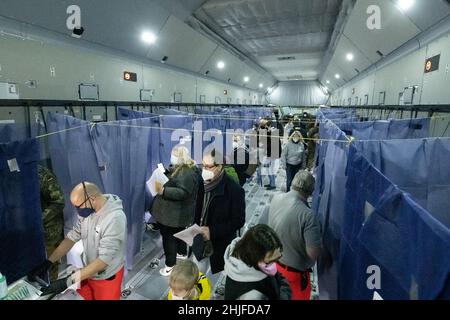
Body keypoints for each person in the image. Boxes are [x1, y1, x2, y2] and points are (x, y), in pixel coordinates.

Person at [28, 182, 127, 300]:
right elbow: (71, 238)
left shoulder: (114, 219)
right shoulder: (88, 210)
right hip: (89, 272)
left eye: (79, 206)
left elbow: (102, 262)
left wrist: (67, 281)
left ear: (93, 199)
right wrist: (49, 262)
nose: (77, 210)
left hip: (107, 277)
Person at [268, 170, 322, 300]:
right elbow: (312, 254)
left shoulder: (275, 198)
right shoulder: (308, 216)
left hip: (273, 267)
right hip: (294, 277)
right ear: (310, 192)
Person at [151, 146, 201, 276]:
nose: (172, 156)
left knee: (169, 238)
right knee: (179, 233)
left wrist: (164, 191)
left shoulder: (186, 172)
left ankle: (170, 265)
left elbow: (183, 192)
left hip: (173, 214)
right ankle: (182, 253)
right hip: (178, 213)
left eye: (174, 155)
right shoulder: (185, 168)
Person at [195, 149, 246, 277]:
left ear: (220, 167)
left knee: (225, 273)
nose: (204, 170)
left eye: (208, 166)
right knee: (197, 274)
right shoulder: (200, 183)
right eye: (202, 165)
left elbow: (238, 221)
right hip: (199, 239)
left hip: (221, 243)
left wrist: (211, 231)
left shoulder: (234, 190)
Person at [224, 224, 291, 300]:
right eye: (272, 260)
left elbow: (278, 277)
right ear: (256, 256)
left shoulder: (246, 257)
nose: (275, 263)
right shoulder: (252, 296)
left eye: (279, 256)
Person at [37, 165, 65, 281]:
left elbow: (58, 202)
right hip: (23, 233)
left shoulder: (40, 173)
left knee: (49, 269)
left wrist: (37, 220)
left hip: (48, 232)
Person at [258, 119, 282, 190]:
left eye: (266, 126)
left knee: (271, 169)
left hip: (272, 154)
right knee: (269, 169)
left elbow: (271, 144)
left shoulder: (273, 132)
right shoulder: (270, 132)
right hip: (270, 153)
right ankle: (271, 183)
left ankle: (273, 184)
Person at [280, 127, 307, 192]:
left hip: (298, 165)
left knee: (296, 181)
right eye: (294, 135)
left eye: (297, 136)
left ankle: (294, 193)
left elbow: (303, 156)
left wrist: (303, 165)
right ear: (292, 136)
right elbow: (283, 155)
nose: (296, 137)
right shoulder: (288, 144)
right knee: (289, 180)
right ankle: (288, 192)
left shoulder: (301, 145)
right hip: (289, 165)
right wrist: (284, 164)